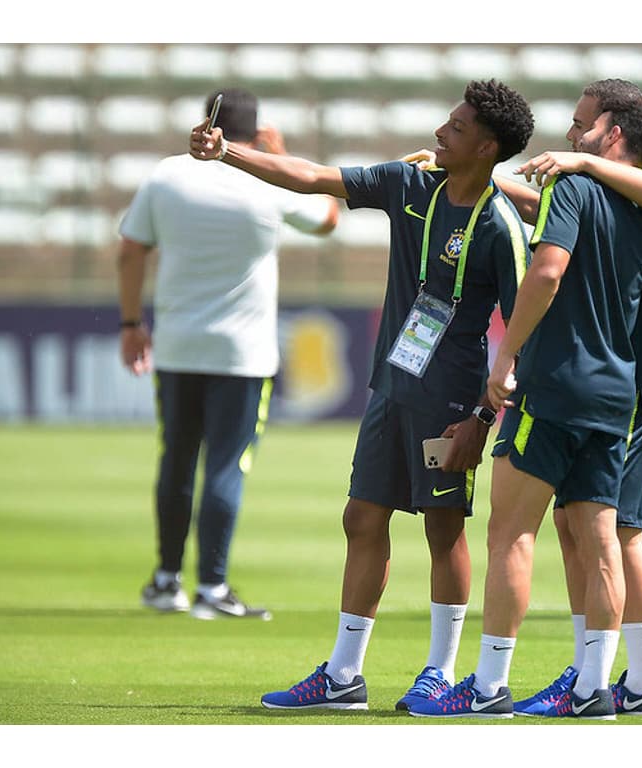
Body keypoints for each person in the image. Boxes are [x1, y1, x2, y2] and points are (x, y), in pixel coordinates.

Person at [189, 79, 535, 711]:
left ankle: (439, 672)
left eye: (455, 128)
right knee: (361, 518)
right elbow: (312, 177)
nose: (438, 132)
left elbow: (521, 336)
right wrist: (227, 152)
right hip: (391, 386)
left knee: (442, 529)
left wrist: (483, 419)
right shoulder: (408, 186)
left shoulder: (501, 226)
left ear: (486, 147)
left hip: (451, 401)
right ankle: (344, 675)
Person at [408, 82, 642, 720]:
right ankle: (594, 686)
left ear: (611, 132)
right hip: (617, 391)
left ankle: (486, 687)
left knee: (511, 534)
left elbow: (547, 268)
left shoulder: (574, 186)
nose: (570, 135)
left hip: (557, 381)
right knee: (602, 538)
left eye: (580, 125)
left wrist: (505, 356)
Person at [119, 88, 340, 620]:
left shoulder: (166, 175)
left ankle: (166, 580)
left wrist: (130, 323)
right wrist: (281, 153)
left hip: (176, 346)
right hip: (242, 354)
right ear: (258, 131)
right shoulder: (266, 177)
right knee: (225, 465)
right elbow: (329, 217)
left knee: (176, 459)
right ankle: (212, 589)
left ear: (205, 122)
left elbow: (131, 249)